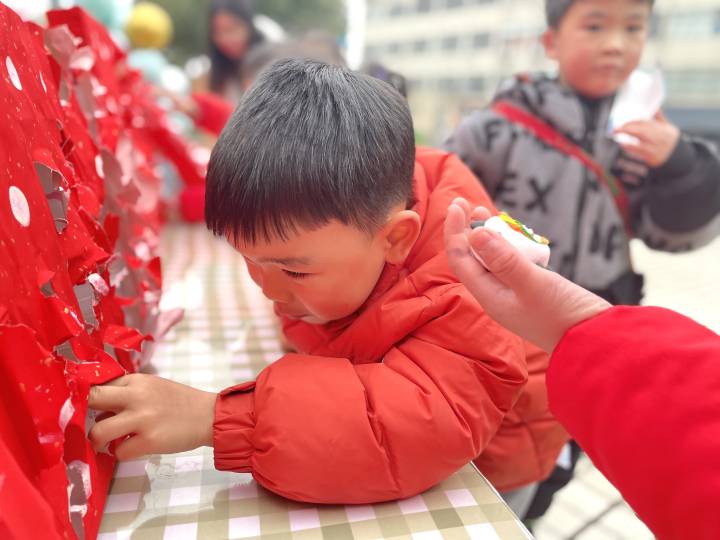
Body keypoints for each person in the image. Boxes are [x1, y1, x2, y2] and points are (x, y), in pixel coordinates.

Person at [88, 59, 567, 508]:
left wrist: (217, 419)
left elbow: (418, 425)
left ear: (397, 239)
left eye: (293, 271)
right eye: (250, 261)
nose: (269, 290)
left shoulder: (468, 276)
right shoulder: (355, 216)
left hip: (494, 463)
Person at [445, 0, 720, 519]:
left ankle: (533, 510)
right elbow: (448, 198)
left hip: (600, 319)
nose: (616, 42)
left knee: (571, 450)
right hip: (509, 324)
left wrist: (684, 168)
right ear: (551, 41)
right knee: (509, 445)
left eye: (633, 27)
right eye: (595, 25)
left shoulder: (643, 137)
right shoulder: (499, 126)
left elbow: (673, 237)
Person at [443, 198, 720, 540]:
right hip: (557, 328)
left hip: (567, 353)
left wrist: (678, 161)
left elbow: (683, 222)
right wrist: (579, 329)